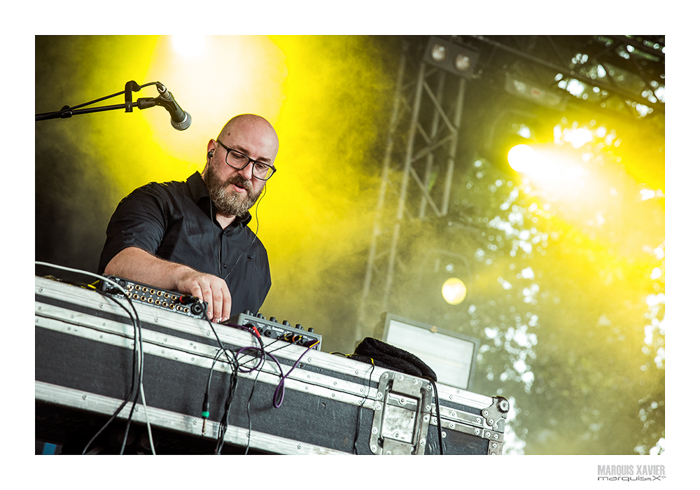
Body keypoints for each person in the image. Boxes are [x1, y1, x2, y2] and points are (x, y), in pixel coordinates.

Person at [98, 114, 279, 323]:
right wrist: (184, 276)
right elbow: (119, 264)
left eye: (261, 166)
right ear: (212, 150)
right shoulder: (156, 200)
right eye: (238, 155)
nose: (247, 173)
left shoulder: (258, 257)